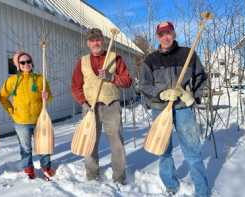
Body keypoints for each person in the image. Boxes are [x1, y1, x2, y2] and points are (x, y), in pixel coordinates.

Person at [140, 22, 209, 196]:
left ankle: (202, 191)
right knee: (164, 151)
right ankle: (171, 185)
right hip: (160, 109)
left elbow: (201, 77)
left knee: (192, 151)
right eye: (162, 34)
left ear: (174, 34)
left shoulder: (188, 54)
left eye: (168, 33)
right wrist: (161, 94)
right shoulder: (150, 60)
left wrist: (193, 96)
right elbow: (144, 85)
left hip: (183, 108)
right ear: (157, 36)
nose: (165, 37)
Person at [71, 28, 132, 184]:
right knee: (89, 141)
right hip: (89, 106)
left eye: (98, 39)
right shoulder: (82, 61)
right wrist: (83, 102)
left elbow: (127, 81)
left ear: (103, 41)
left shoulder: (114, 58)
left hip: (111, 105)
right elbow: (76, 85)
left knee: (117, 141)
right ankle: (92, 175)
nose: (95, 43)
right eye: (92, 40)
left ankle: (119, 177)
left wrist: (111, 77)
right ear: (88, 43)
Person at [0, 51, 54, 180]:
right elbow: (2, 97)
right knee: (26, 148)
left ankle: (46, 167)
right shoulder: (13, 80)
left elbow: (49, 97)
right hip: (21, 121)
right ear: (18, 65)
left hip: (40, 120)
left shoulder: (40, 79)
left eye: (28, 61)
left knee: (44, 145)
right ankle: (28, 168)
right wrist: (11, 111)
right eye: (22, 62)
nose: (26, 64)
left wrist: (47, 97)